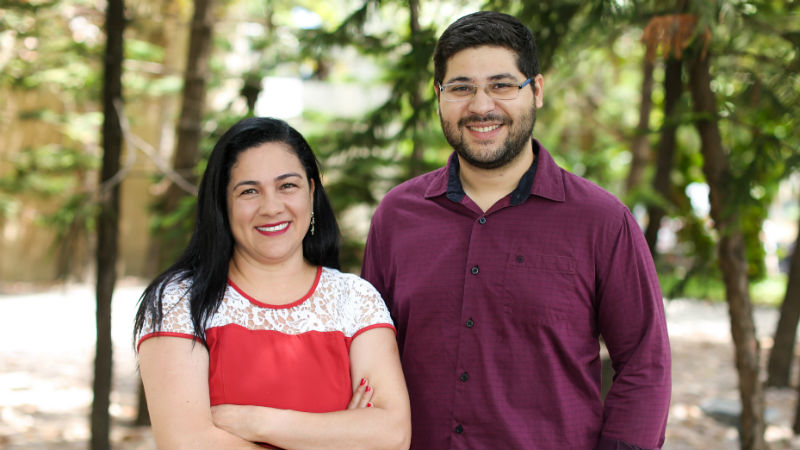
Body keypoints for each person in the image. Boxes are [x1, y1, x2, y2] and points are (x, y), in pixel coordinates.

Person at [361, 11, 671, 450]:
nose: (481, 106)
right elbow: (365, 357)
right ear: (439, 96)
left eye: (502, 85)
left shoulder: (602, 222)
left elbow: (645, 364)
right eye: (461, 88)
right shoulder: (397, 216)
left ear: (537, 90)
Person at [134, 116, 411, 449]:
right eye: (249, 191)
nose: (271, 207)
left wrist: (257, 422)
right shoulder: (180, 300)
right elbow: (186, 443)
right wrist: (337, 436)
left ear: (311, 191)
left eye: (287, 186)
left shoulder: (354, 299)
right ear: (223, 204)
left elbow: (392, 434)